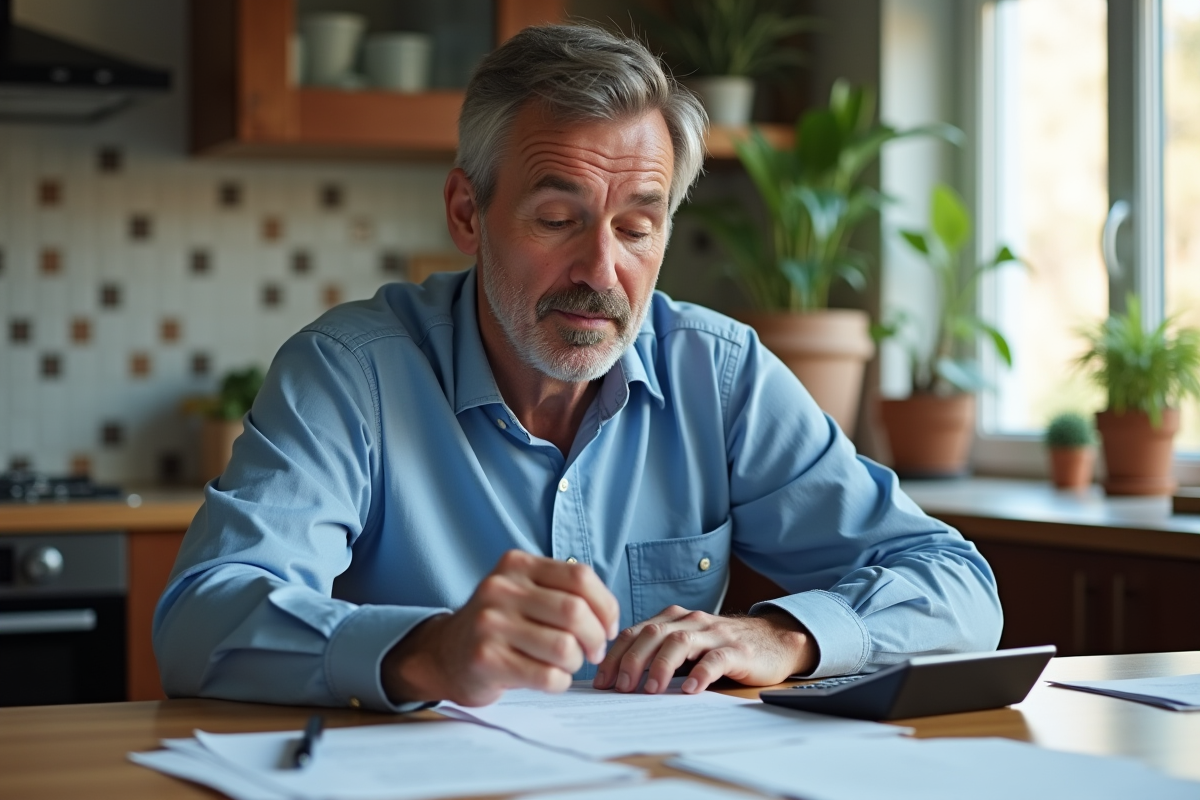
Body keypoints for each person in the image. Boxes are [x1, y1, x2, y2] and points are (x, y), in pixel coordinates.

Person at [154, 24, 1002, 713]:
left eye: (637, 228)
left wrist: (790, 638)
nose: (601, 272)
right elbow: (201, 619)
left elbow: (960, 588)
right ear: (467, 212)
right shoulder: (351, 374)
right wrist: (424, 651)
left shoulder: (721, 372)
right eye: (558, 218)